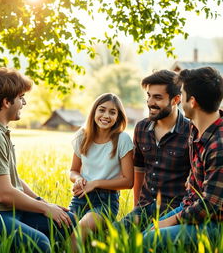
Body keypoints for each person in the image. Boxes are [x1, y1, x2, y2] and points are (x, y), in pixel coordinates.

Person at [0, 68, 75, 253]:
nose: (24, 103)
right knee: (38, 243)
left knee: (66, 221)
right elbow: (5, 194)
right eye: (21, 97)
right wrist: (45, 208)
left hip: (6, 209)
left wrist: (44, 203)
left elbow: (12, 180)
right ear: (6, 102)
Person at [143, 67, 223, 248]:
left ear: (192, 102)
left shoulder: (219, 146)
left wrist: (174, 219)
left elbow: (210, 205)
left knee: (150, 240)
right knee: (146, 234)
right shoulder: (196, 128)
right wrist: (192, 177)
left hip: (214, 221)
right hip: (191, 204)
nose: (180, 99)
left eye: (183, 94)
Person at [115, 70, 191, 232]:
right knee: (111, 237)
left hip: (174, 212)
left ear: (176, 100)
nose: (150, 102)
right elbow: (139, 170)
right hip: (145, 208)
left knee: (149, 242)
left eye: (157, 97)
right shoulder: (141, 128)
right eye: (149, 96)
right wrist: (136, 208)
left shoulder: (191, 131)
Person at [68, 93, 134, 246]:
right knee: (63, 228)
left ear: (118, 117)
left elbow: (128, 181)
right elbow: (73, 170)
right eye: (102, 110)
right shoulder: (82, 136)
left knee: (83, 227)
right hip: (81, 197)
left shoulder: (122, 139)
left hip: (106, 200)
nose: (106, 115)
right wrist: (78, 179)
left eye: (112, 112)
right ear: (94, 112)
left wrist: (95, 183)